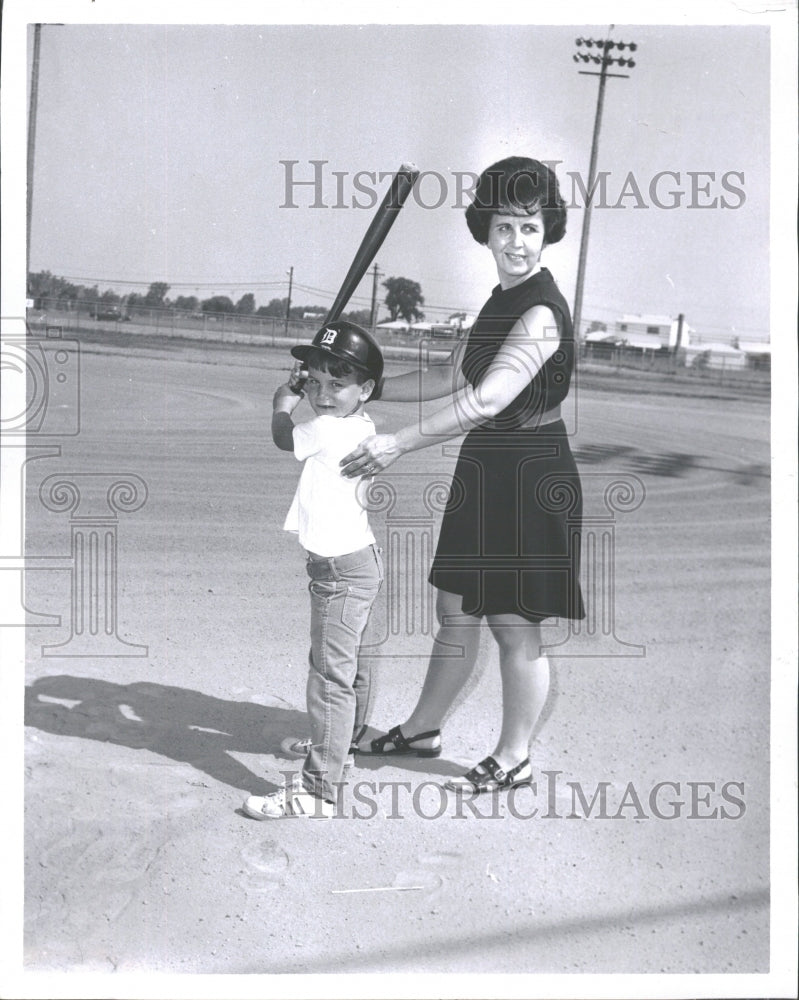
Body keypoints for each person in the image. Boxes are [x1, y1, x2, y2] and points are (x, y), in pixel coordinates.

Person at [340, 156, 585, 794]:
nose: (517, 242)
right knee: (456, 611)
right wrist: (362, 387)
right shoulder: (500, 300)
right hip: (487, 468)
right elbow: (455, 378)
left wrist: (399, 443)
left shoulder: (541, 312)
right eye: (504, 228)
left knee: (513, 622)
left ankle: (514, 755)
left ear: (547, 228)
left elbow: (487, 399)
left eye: (529, 227)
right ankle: (422, 731)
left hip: (531, 476)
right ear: (486, 231)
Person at [243, 321, 385, 819]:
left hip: (337, 574)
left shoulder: (322, 428)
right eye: (318, 382)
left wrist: (285, 400)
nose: (324, 395)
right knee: (354, 670)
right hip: (361, 564)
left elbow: (285, 437)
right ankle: (340, 750)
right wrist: (309, 386)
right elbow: (331, 407)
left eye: (338, 384)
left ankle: (317, 790)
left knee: (329, 677)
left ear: (365, 389)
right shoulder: (363, 424)